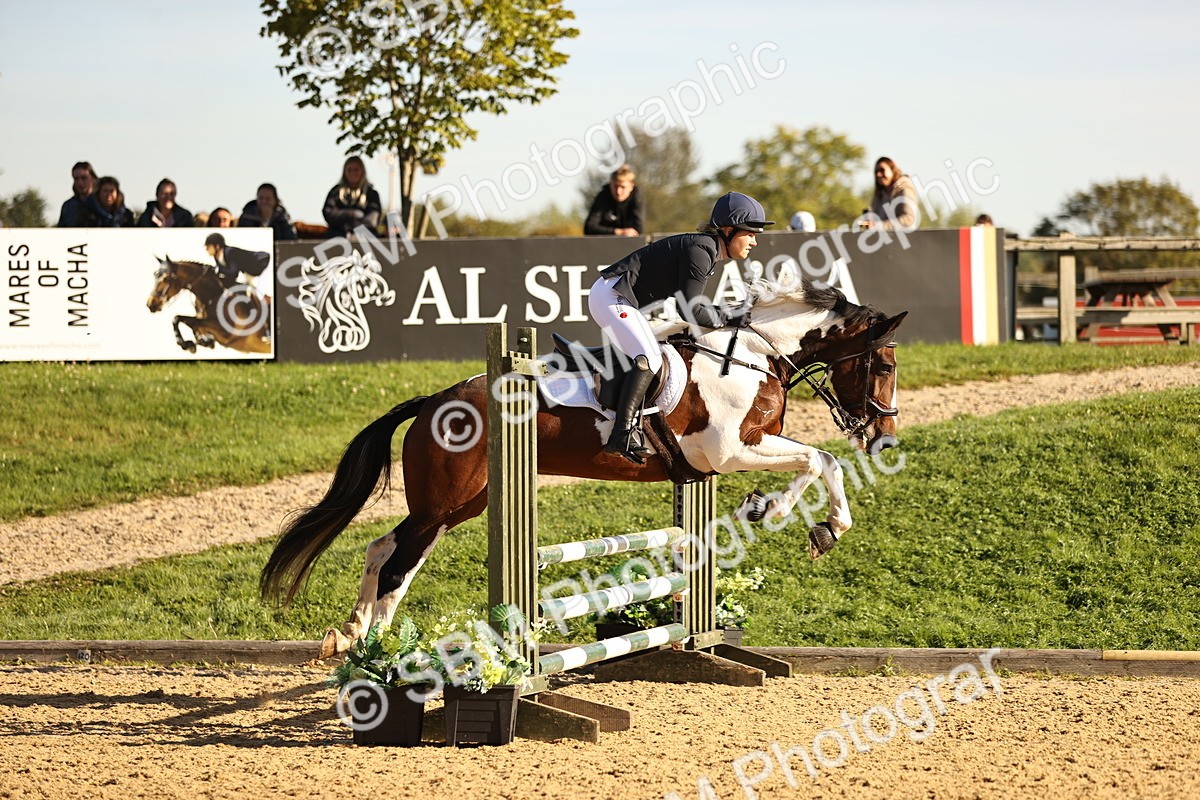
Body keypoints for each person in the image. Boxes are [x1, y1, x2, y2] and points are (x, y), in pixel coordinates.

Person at [587, 191, 771, 463]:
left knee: (651, 351)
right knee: (648, 356)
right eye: (751, 233)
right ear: (730, 230)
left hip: (616, 297)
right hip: (612, 297)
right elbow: (691, 310)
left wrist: (727, 313)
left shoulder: (707, 248)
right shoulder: (702, 249)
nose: (754, 241)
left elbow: (690, 307)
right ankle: (621, 434)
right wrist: (731, 316)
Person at [322, 156, 381, 240]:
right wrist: (351, 214)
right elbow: (328, 213)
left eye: (356, 170)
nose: (353, 173)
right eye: (349, 170)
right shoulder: (336, 192)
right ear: (344, 172)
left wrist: (354, 227)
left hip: (365, 237)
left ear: (362, 171)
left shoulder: (371, 194)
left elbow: (372, 220)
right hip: (338, 236)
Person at [584, 164, 644, 236]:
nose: (618, 191)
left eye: (623, 187)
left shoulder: (636, 196)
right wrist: (618, 232)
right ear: (610, 185)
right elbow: (589, 228)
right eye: (615, 186)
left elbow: (638, 228)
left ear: (631, 187)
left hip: (628, 243)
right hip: (604, 243)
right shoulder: (603, 196)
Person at [861, 157, 919, 231]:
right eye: (876, 171)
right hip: (882, 240)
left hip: (902, 240)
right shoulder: (879, 193)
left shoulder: (904, 188)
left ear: (892, 170)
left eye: (882, 170)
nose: (878, 174)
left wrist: (879, 226)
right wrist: (868, 223)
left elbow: (908, 220)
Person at [205, 233, 270, 289]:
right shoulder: (217, 257)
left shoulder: (229, 252)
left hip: (263, 263)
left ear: (217, 246)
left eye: (208, 247)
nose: (206, 249)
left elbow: (234, 272)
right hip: (249, 273)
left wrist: (218, 273)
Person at [56, 161, 98, 227]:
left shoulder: (101, 204)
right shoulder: (68, 206)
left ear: (93, 179)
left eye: (84, 178)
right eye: (76, 179)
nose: (80, 183)